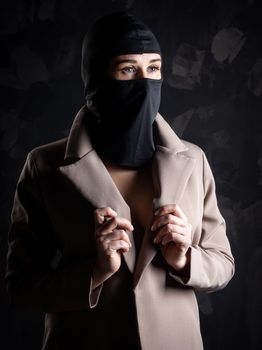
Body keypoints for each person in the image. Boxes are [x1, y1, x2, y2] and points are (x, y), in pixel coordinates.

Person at [5, 12, 235, 350]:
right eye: (127, 69)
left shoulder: (194, 160)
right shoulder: (44, 166)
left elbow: (223, 264)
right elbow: (21, 290)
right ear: (97, 76)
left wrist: (185, 259)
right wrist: (95, 271)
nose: (144, 82)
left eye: (154, 68)